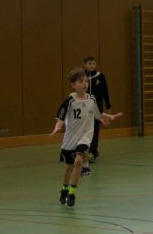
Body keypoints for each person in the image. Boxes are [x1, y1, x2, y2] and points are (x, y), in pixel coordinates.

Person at [52, 69, 121, 208]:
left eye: (86, 82)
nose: (85, 84)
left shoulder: (91, 99)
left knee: (79, 161)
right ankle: (64, 189)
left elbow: (97, 113)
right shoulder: (69, 102)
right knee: (68, 167)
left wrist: (108, 117)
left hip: (85, 137)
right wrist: (57, 127)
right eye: (81, 82)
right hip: (71, 138)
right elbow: (60, 118)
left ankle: (72, 193)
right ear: (73, 85)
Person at [83, 55, 111, 163]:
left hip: (97, 109)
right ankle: (85, 151)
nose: (92, 65)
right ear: (85, 65)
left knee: (95, 130)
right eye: (89, 63)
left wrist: (108, 106)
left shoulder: (100, 76)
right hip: (84, 108)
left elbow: (105, 92)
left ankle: (93, 153)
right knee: (85, 131)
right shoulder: (82, 77)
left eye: (93, 63)